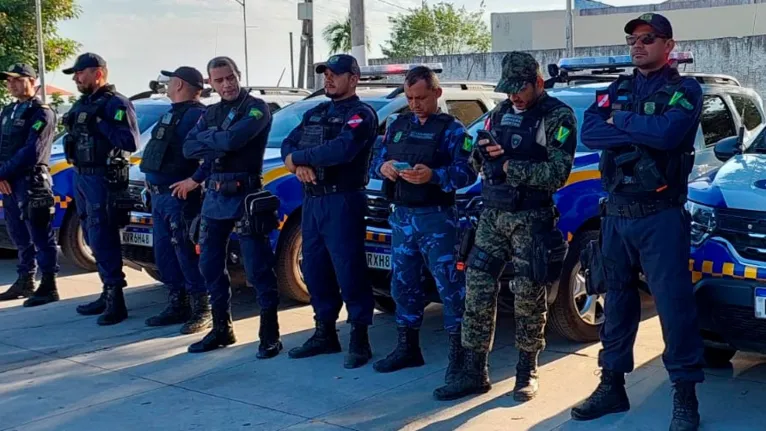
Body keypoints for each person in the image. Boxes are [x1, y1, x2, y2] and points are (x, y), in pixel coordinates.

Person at [570, 14, 704, 431]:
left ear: (668, 44)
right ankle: (612, 385)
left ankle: (685, 397)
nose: (637, 45)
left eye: (647, 38)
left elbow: (668, 135)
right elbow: (591, 132)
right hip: (617, 215)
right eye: (632, 39)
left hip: (660, 217)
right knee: (617, 304)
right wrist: (634, 128)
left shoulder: (685, 90)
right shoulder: (618, 89)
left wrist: (621, 123)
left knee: (674, 308)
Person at [434, 52, 576, 402]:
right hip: (492, 216)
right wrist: (479, 154)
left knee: (528, 295)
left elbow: (557, 174)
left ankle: (527, 369)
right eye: (509, 89)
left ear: (538, 83)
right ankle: (473, 370)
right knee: (478, 289)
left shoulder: (558, 116)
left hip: (530, 218)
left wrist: (508, 165)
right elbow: (473, 156)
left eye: (520, 89)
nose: (514, 96)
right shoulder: (497, 114)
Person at [370, 66, 476, 378]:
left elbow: (467, 172)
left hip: (437, 220)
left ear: (437, 94)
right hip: (402, 217)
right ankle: (407, 348)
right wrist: (385, 167)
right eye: (410, 97)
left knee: (450, 287)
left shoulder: (453, 130)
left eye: (421, 97)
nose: (415, 104)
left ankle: (460, 356)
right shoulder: (397, 125)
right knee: (402, 284)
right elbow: (377, 160)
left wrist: (433, 176)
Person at [281, 54, 378, 369]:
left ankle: (360, 339)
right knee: (315, 268)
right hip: (312, 201)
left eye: (335, 74)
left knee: (349, 270)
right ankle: (324, 333)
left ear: (353, 78)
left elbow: (341, 150)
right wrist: (296, 164)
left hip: (343, 201)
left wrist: (300, 158)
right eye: (325, 74)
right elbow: (287, 144)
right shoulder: (316, 112)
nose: (328, 79)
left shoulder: (361, 115)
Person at [183, 56, 282, 358]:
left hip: (246, 195)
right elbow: (188, 147)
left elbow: (235, 140)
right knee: (209, 265)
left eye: (230, 77)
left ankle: (269, 335)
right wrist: (219, 140)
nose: (226, 84)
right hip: (214, 196)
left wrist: (211, 139)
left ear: (238, 75)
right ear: (211, 84)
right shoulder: (211, 112)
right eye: (219, 80)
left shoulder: (256, 107)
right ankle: (221, 328)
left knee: (257, 268)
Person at [62, 53, 139, 325]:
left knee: (103, 236)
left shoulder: (115, 104)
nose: (76, 78)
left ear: (97, 73)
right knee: (92, 237)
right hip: (82, 176)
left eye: (80, 73)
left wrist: (99, 122)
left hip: (102, 179)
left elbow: (130, 141)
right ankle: (106, 291)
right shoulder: (84, 103)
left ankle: (116, 300)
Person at [139, 66, 211, 334]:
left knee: (185, 252)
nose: (167, 85)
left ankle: (202, 307)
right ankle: (177, 302)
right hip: (159, 196)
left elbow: (211, 155)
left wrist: (195, 180)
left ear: (180, 84)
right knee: (165, 253)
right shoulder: (171, 113)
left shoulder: (199, 116)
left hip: (180, 197)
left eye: (170, 82)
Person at [0, 64, 60, 306]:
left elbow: (31, 151)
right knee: (17, 232)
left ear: (32, 81)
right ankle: (25, 279)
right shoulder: (8, 111)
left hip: (31, 181)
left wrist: (1, 173)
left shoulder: (42, 112)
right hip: (9, 182)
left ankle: (48, 283)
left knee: (40, 234)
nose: (11, 84)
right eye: (8, 81)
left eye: (17, 79)